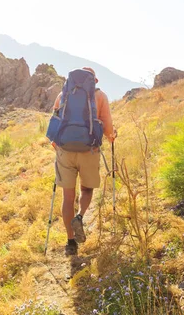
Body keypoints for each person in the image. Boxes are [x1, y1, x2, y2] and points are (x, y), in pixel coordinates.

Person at [52, 67, 115, 255]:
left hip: (65, 151)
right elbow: (107, 125)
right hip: (89, 149)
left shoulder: (63, 94)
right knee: (86, 190)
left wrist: (56, 145)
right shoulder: (100, 96)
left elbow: (54, 121)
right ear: (93, 80)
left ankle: (70, 242)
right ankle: (79, 217)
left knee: (67, 197)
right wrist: (112, 136)